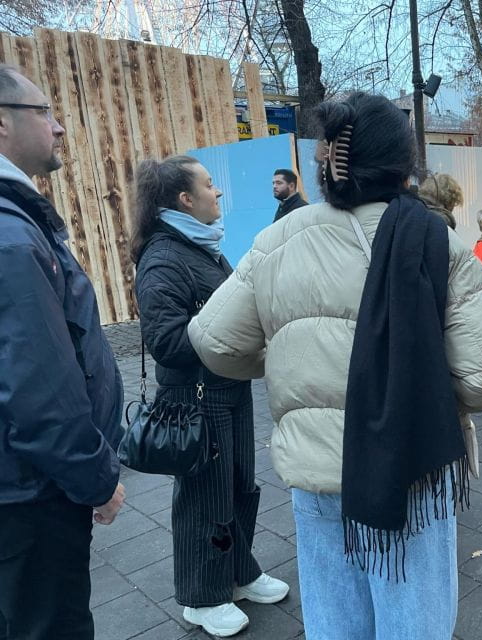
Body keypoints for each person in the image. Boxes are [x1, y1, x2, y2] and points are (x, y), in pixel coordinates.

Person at [188, 92, 482, 640]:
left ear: (327, 162)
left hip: (318, 471)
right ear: (401, 163)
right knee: (416, 617)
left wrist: (284, 354)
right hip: (414, 465)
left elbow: (214, 342)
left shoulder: (276, 241)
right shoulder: (435, 240)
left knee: (334, 618)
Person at [132, 155, 288, 638]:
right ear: (185, 199)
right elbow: (165, 341)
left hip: (228, 387)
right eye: (208, 185)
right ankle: (202, 596)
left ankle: (239, 572)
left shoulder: (199, 247)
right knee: (204, 496)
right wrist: (230, 333)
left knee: (240, 485)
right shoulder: (163, 256)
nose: (216, 193)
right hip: (195, 398)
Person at [0, 64, 125, 640]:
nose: (58, 128)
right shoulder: (11, 237)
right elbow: (39, 391)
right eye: (44, 112)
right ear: (3, 123)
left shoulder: (19, 224)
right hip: (32, 498)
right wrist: (97, 478)